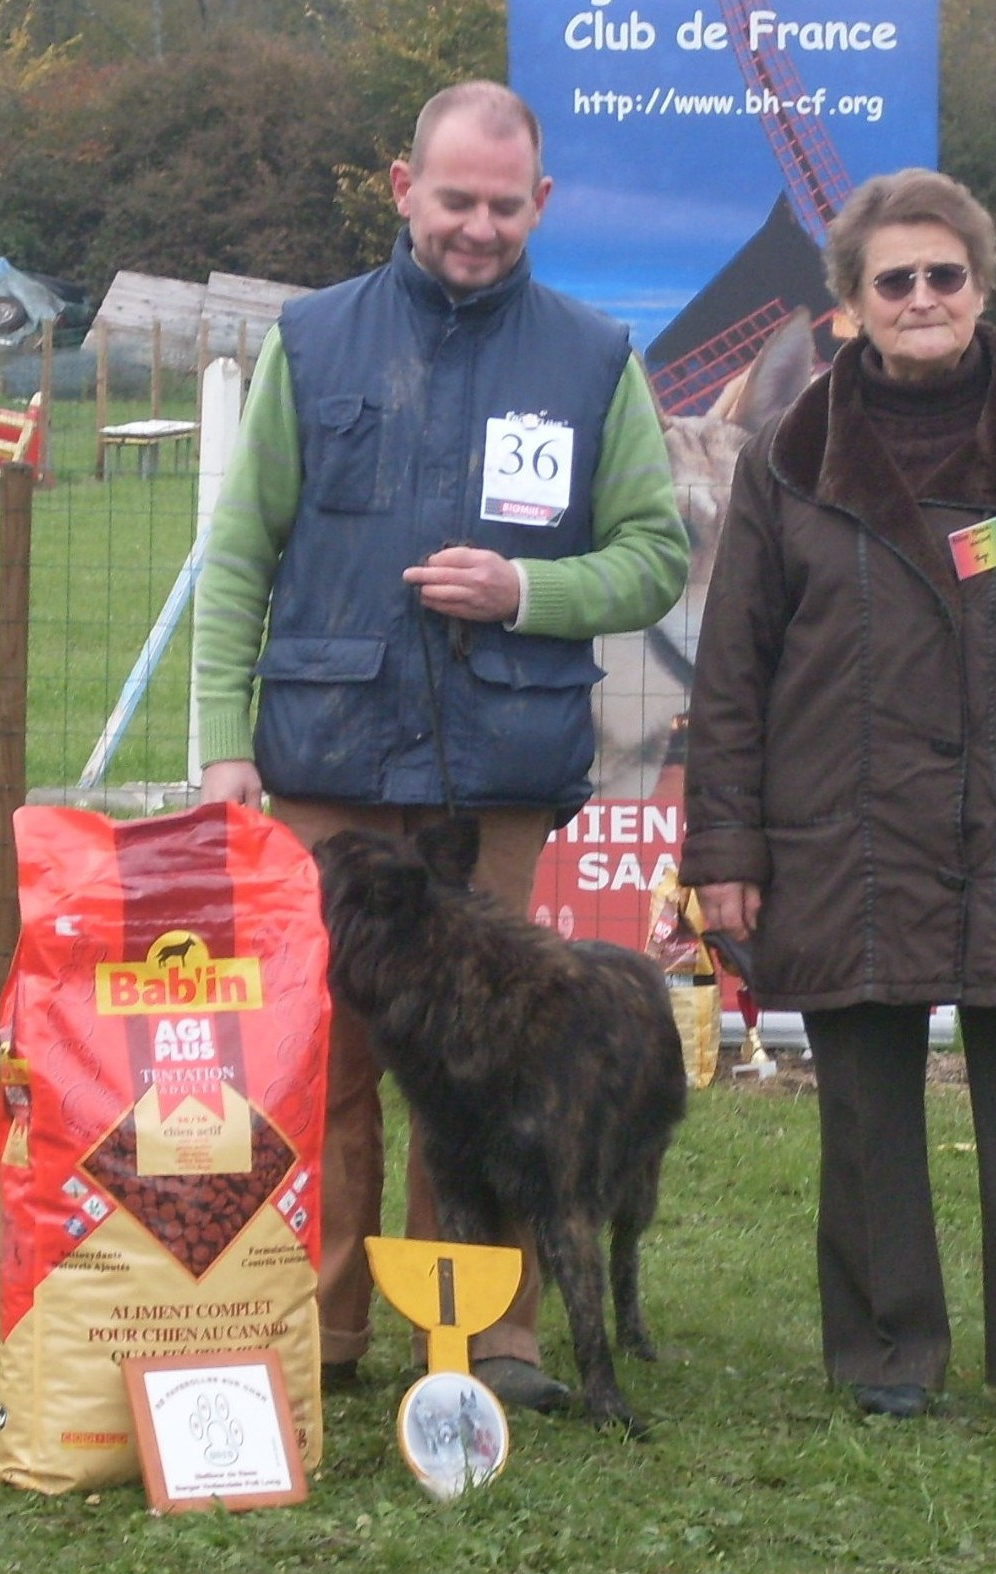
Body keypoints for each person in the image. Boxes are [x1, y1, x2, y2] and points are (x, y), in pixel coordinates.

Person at [193, 80, 689, 1412]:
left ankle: (490, 1333)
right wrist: (221, 742)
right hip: (324, 765)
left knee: (488, 1066)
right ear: (402, 185)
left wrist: (527, 591)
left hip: (492, 774)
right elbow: (239, 550)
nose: (475, 226)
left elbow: (654, 555)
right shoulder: (312, 339)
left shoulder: (592, 357)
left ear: (542, 202)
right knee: (326, 1061)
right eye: (451, 198)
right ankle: (331, 1321)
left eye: (500, 203)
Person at [679, 168, 996, 1422]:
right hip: (840, 822)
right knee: (867, 1107)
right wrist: (724, 845)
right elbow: (729, 672)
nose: (922, 296)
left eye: (944, 274)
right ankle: (887, 1354)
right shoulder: (785, 458)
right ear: (847, 306)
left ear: (981, 287)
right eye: (893, 279)